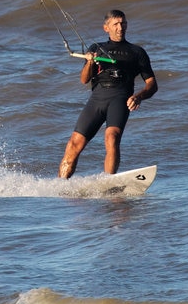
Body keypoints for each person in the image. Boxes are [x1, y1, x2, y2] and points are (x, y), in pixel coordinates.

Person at [59, 9, 157, 178]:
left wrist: (138, 96)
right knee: (74, 143)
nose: (120, 27)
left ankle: (108, 182)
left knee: (112, 138)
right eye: (116, 24)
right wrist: (90, 62)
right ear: (106, 28)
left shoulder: (137, 52)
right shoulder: (97, 48)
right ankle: (60, 185)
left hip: (120, 98)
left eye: (123, 23)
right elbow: (84, 80)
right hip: (97, 98)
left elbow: (152, 84)